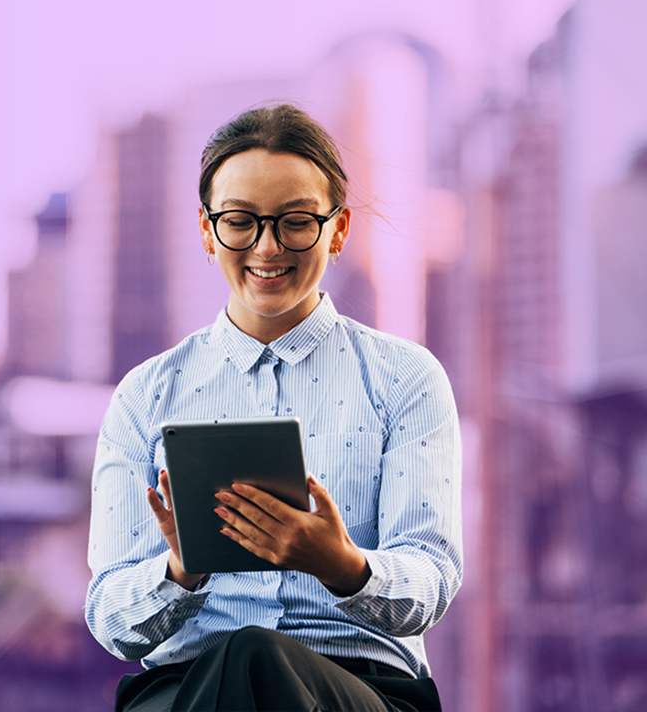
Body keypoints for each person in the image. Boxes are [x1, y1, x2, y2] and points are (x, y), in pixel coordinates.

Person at [85, 103, 462, 711]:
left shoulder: (406, 380)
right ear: (208, 232)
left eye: (295, 222)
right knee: (241, 660)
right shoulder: (145, 395)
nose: (267, 246)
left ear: (337, 230)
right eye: (240, 221)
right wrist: (179, 573)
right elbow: (110, 618)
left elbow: (432, 581)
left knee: (254, 656)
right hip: (187, 687)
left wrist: (343, 566)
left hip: (362, 689)